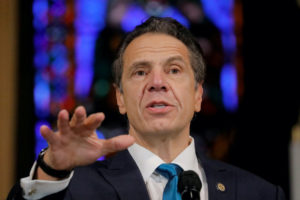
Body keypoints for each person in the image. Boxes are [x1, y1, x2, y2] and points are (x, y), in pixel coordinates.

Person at [8, 16, 285, 200]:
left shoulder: (259, 193)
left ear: (198, 94)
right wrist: (52, 169)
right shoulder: (76, 189)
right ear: (120, 98)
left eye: (174, 70)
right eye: (140, 72)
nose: (157, 83)